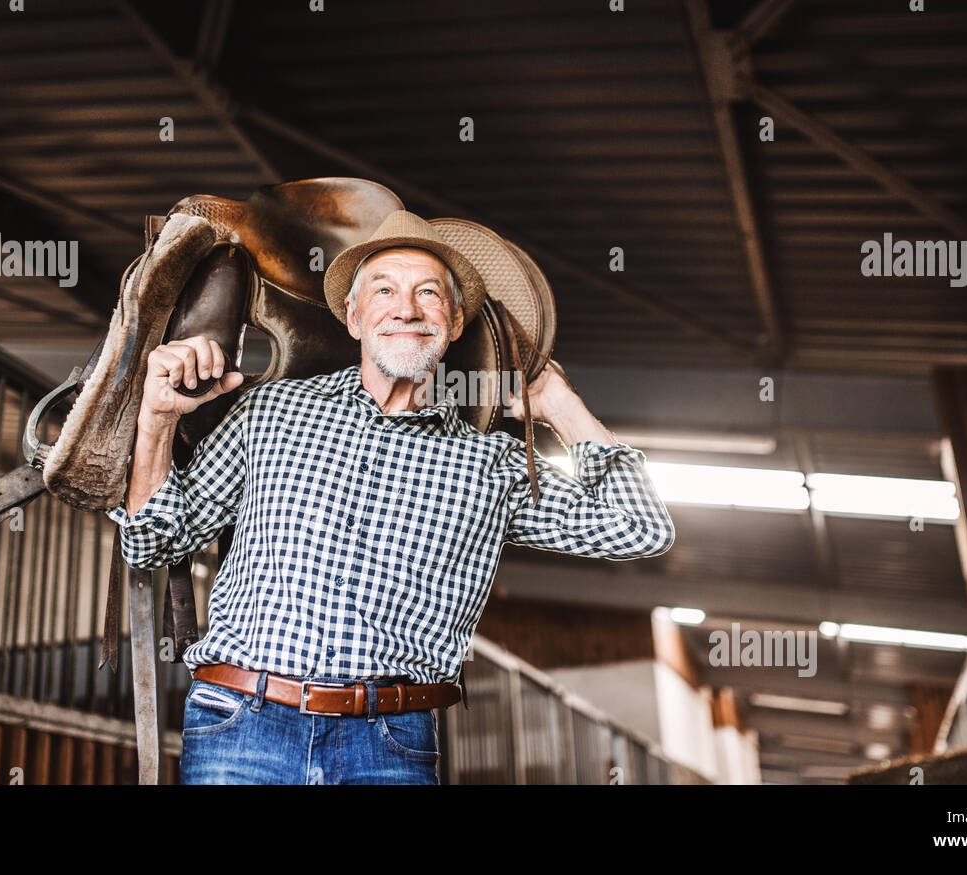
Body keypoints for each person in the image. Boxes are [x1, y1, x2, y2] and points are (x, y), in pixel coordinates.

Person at [107, 210, 675, 784]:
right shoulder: (272, 410)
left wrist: (557, 402)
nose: (406, 308)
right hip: (243, 727)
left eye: (428, 293)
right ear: (353, 317)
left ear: (454, 322)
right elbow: (153, 543)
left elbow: (642, 527)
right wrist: (155, 419)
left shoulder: (493, 465)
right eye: (384, 290)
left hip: (388, 746)